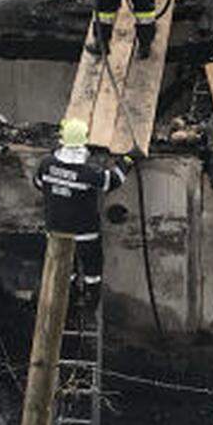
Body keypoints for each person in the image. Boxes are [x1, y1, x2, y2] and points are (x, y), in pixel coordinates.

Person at [32, 118, 137, 310]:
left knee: (66, 268)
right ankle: (91, 299)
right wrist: (128, 159)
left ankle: (70, 296)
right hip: (84, 231)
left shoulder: (46, 164)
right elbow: (112, 181)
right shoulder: (87, 172)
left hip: (56, 230)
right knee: (92, 266)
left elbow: (38, 184)